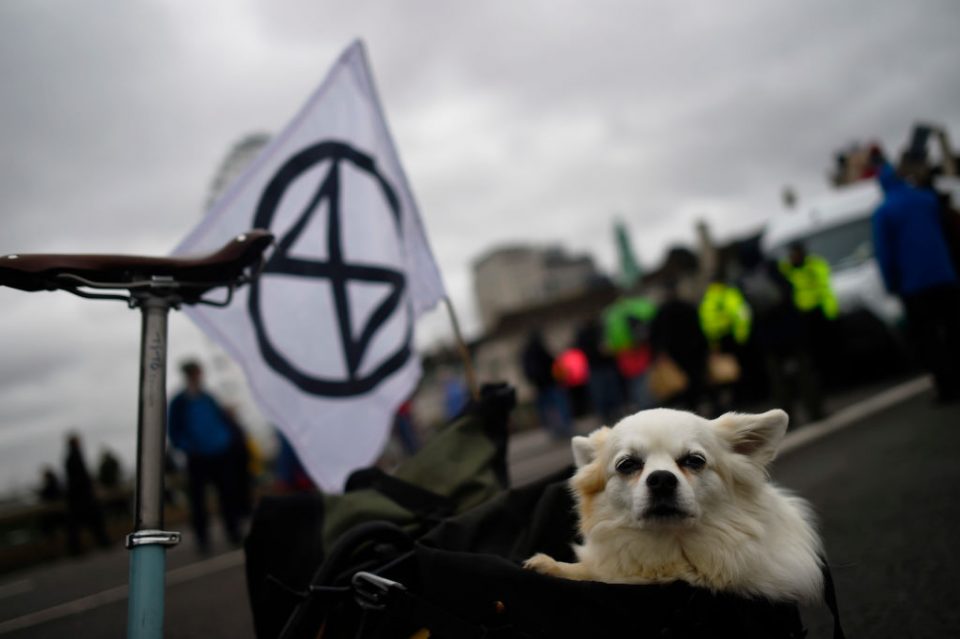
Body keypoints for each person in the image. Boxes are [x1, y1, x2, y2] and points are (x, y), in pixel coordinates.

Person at [873, 163, 960, 402]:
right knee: (954, 328)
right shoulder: (927, 199)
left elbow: (885, 253)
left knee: (928, 339)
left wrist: (891, 283)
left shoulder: (884, 211)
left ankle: (946, 387)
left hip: (914, 286)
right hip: (945, 276)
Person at [737, 241, 825, 423]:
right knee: (804, 372)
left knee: (778, 380)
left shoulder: (742, 279)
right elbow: (789, 290)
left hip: (767, 335)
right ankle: (815, 410)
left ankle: (786, 420)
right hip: (789, 328)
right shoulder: (772, 267)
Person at [168, 359, 242, 552]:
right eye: (194, 373)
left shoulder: (209, 398)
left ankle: (234, 532)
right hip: (197, 457)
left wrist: (226, 441)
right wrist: (188, 447)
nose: (197, 377)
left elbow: (222, 420)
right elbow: (174, 430)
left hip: (219, 453)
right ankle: (203, 540)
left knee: (227, 494)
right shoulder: (179, 402)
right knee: (198, 500)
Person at [778, 241, 839, 385]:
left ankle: (834, 379)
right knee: (810, 354)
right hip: (800, 318)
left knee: (827, 349)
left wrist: (831, 312)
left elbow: (825, 289)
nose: (794, 257)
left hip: (818, 313)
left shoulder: (815, 265)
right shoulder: (786, 269)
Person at [649, 282, 709, 413]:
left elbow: (655, 335)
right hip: (694, 350)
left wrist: (659, 352)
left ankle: (688, 409)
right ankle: (697, 405)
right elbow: (700, 328)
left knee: (680, 382)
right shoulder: (688, 307)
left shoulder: (661, 312)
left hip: (674, 353)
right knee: (696, 379)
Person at [63, 434, 111, 553]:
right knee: (95, 520)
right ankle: (102, 542)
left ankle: (76, 549)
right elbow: (82, 476)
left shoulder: (70, 457)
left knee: (78, 524)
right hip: (83, 497)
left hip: (77, 497)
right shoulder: (75, 456)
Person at [521, 330, 573, 439]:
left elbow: (527, 371)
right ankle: (565, 428)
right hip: (549, 383)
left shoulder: (526, 353)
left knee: (548, 409)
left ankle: (555, 430)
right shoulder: (540, 349)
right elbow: (551, 361)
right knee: (559, 405)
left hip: (539, 386)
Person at [574, 319, 624, 423]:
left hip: (596, 367)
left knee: (603, 393)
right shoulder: (600, 332)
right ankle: (612, 413)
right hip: (601, 366)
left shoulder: (583, 335)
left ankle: (608, 414)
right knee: (608, 391)